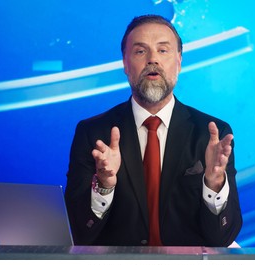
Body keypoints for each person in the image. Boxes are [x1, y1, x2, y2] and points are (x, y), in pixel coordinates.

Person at [65, 14, 242, 246]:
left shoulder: (211, 135)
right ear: (125, 64)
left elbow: (223, 238)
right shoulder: (93, 133)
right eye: (140, 51)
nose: (152, 60)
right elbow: (78, 233)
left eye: (163, 50)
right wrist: (104, 186)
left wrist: (214, 183)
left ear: (179, 61)